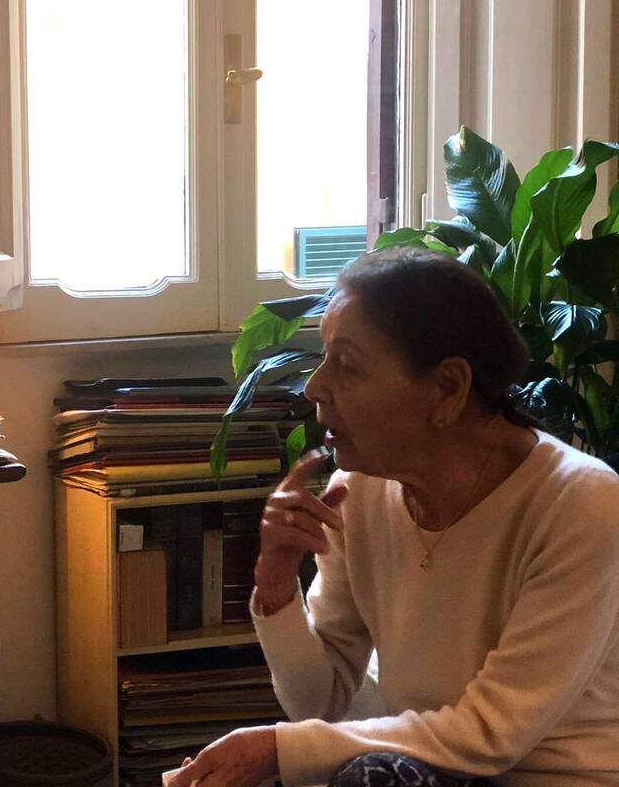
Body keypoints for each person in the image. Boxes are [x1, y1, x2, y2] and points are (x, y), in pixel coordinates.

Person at [170, 248, 619, 787]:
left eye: (347, 364)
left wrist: (276, 749)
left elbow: (492, 733)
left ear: (447, 388)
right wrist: (276, 583)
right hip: (422, 771)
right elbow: (323, 702)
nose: (315, 388)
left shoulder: (581, 503)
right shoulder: (358, 493)